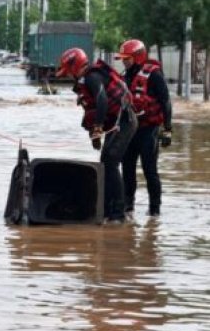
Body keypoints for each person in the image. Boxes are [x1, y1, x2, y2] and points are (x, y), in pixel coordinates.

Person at [56, 48, 137, 223]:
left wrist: (98, 127)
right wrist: (95, 134)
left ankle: (118, 214)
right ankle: (108, 210)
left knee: (110, 162)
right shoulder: (87, 78)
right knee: (106, 162)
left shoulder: (92, 77)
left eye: (69, 71)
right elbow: (96, 107)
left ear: (75, 66)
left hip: (124, 122)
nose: (69, 76)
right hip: (117, 123)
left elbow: (102, 100)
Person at [115, 39, 173, 218]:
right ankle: (128, 207)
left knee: (150, 170)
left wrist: (167, 129)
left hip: (149, 130)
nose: (124, 61)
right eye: (123, 58)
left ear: (138, 57)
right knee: (128, 169)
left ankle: (154, 210)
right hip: (129, 130)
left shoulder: (154, 75)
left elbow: (166, 102)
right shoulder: (124, 76)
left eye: (128, 58)